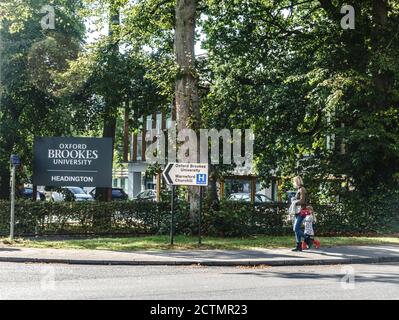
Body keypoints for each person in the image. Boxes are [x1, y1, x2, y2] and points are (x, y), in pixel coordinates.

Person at [292, 176, 308, 252]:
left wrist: (294, 201)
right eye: (295, 181)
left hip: (302, 211)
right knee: (296, 229)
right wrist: (294, 199)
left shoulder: (302, 189)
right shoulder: (299, 189)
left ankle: (308, 238)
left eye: (296, 181)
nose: (295, 183)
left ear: (299, 181)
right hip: (297, 211)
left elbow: (302, 201)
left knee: (296, 228)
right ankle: (298, 246)